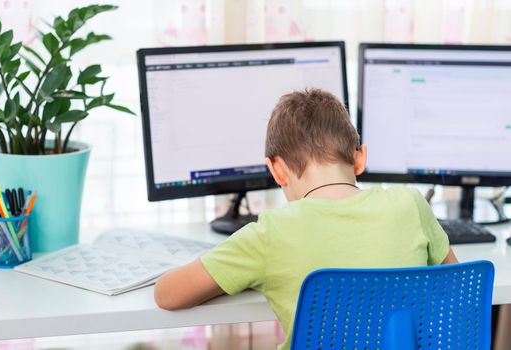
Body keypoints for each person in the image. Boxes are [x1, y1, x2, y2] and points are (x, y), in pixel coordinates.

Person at [153, 88, 458, 349]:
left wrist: (249, 273)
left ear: (277, 170)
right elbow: (454, 283)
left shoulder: (270, 235)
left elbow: (167, 295)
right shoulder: (411, 204)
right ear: (360, 157)